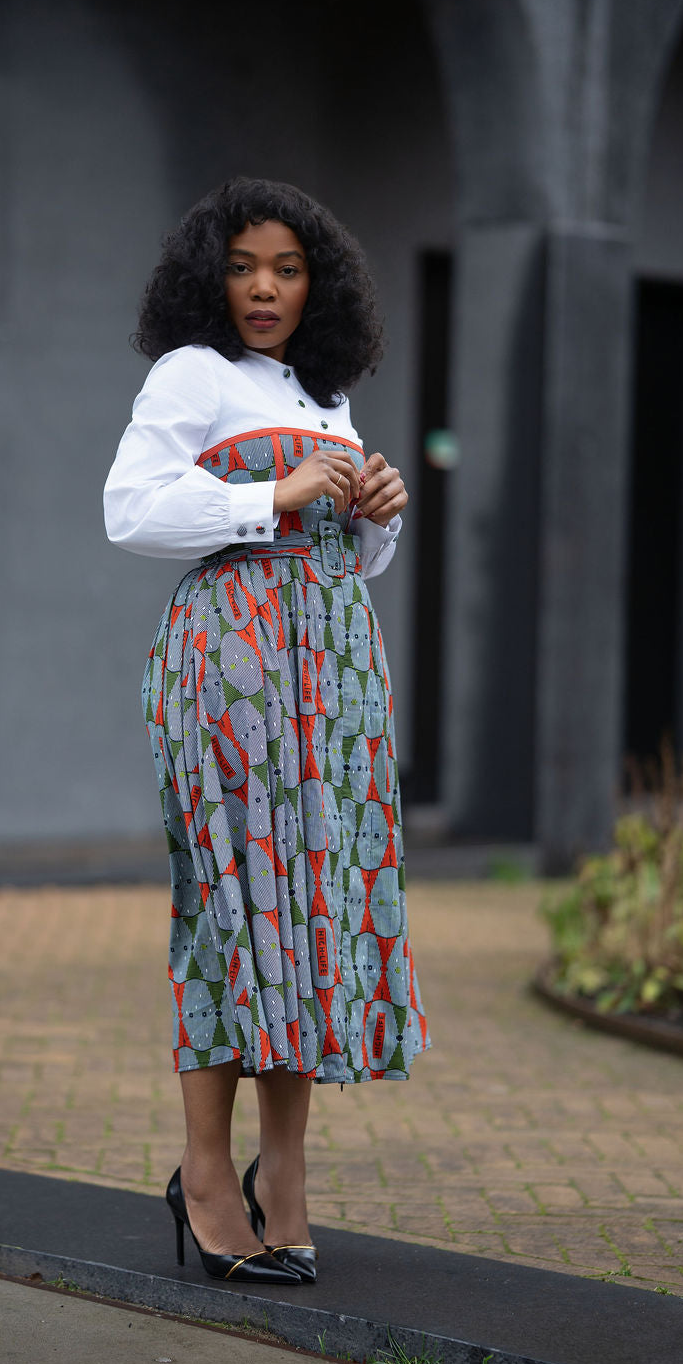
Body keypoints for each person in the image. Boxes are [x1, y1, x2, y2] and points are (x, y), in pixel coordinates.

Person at [103, 176, 429, 1287]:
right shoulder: (190, 376)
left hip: (331, 671)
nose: (263, 288)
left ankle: (279, 1177)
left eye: (286, 269)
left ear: (315, 283)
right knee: (234, 905)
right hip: (230, 664)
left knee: (310, 908)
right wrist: (273, 496)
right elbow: (131, 510)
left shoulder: (326, 391)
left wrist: (374, 515)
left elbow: (347, 555)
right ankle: (203, 1175)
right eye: (244, 265)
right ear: (211, 273)